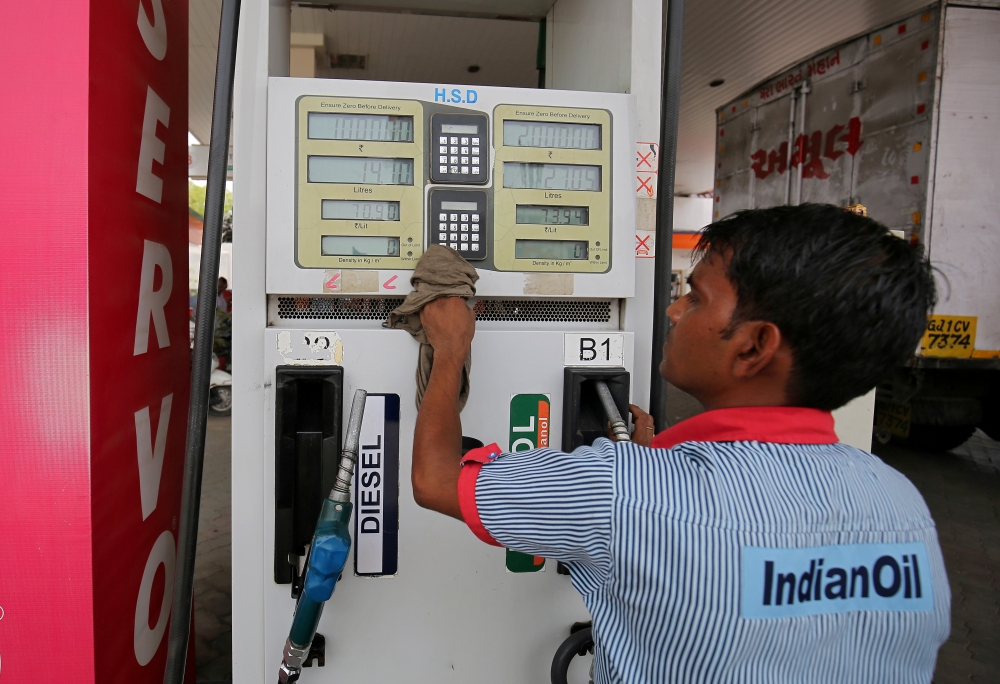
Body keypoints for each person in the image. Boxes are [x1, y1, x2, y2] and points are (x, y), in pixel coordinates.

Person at [411, 204, 950, 683]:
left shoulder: (624, 489)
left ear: (755, 345)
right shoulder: (903, 506)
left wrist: (450, 348)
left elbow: (435, 480)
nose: (672, 310)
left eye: (695, 297)